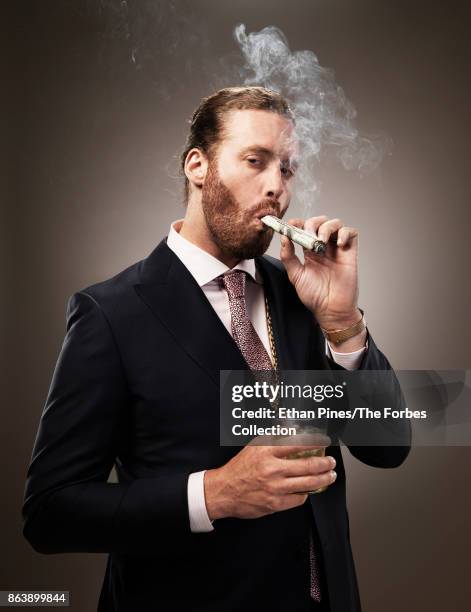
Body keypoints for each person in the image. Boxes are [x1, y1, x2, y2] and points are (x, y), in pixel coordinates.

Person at [22, 86, 410, 612]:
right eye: (256, 161)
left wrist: (342, 323)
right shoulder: (110, 314)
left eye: (287, 170)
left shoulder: (303, 297)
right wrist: (213, 494)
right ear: (197, 165)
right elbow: (50, 512)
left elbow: (388, 446)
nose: (276, 187)